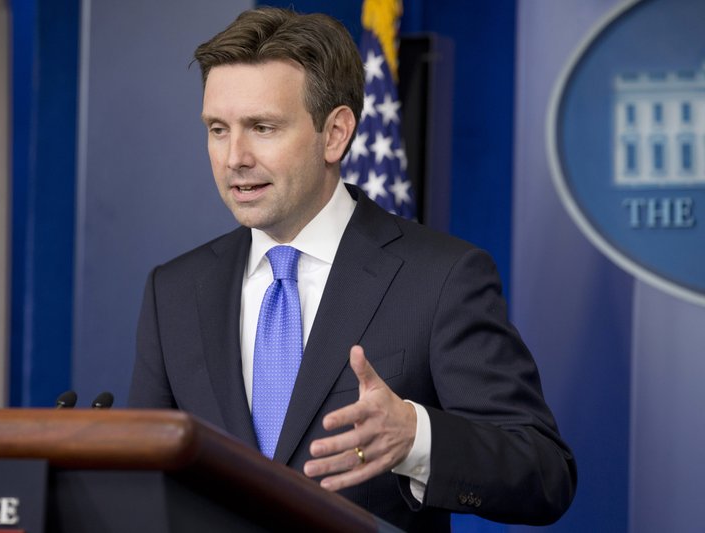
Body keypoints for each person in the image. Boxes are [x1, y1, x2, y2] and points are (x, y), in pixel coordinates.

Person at [128, 7, 576, 531]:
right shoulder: (174, 291)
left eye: (263, 127)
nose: (234, 158)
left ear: (336, 134)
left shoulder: (440, 278)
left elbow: (544, 472)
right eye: (218, 129)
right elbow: (144, 477)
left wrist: (415, 437)